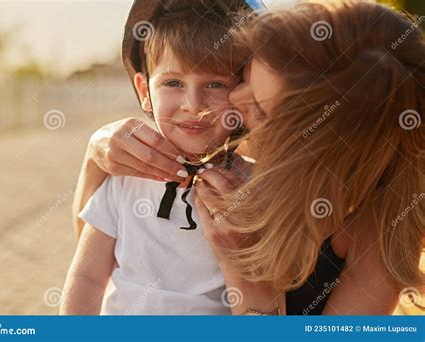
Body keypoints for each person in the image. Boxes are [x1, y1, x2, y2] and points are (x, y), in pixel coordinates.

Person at [73, 0, 424, 315]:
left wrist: (246, 277)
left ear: (308, 143)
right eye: (243, 77)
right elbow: (104, 258)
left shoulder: (379, 232)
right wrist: (95, 155)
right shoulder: (211, 167)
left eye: (255, 103)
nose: (227, 104)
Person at [60, 0, 260, 315]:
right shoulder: (124, 179)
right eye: (173, 83)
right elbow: (86, 276)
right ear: (144, 91)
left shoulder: (256, 184)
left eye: (215, 84)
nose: (194, 104)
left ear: (245, 93)